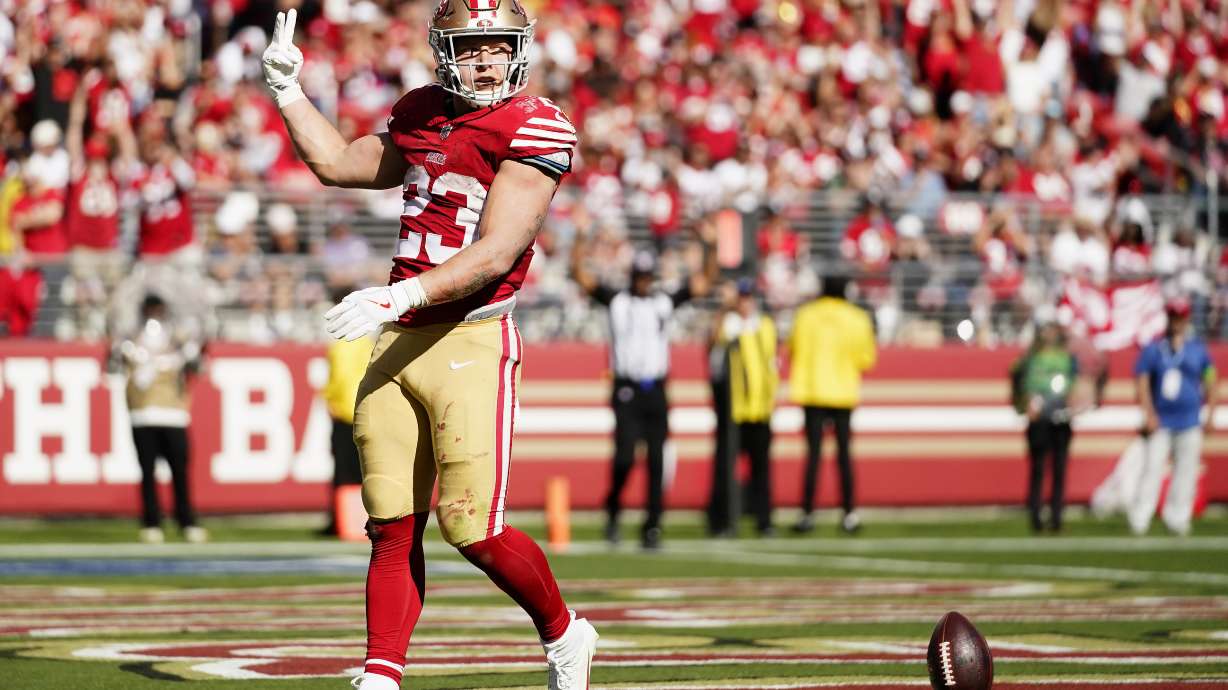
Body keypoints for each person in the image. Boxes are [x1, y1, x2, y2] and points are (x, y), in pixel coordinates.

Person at [263, 5, 598, 689]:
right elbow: (335, 162)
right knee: (390, 521)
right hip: (399, 338)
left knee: (471, 527)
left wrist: (401, 295)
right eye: (469, 47)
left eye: (496, 47)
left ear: (518, 52)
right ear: (444, 51)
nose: (484, 60)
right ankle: (381, 674)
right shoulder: (421, 111)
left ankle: (566, 633)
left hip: (469, 339)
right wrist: (288, 93)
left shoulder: (535, 124)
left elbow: (498, 248)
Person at [570, 229, 717, 550]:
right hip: (627, 388)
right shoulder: (617, 301)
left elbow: (704, 282)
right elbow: (581, 277)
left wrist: (711, 245)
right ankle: (613, 508)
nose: (643, 282)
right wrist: (581, 240)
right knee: (624, 458)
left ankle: (652, 526)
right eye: (639, 276)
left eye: (647, 276)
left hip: (656, 389)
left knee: (656, 462)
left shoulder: (664, 302)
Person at [788, 275, 877, 534]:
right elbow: (866, 359)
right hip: (842, 393)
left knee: (813, 456)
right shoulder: (857, 317)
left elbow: (793, 349)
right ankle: (849, 513)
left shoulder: (805, 315)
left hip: (813, 392)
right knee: (844, 457)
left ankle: (806, 513)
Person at [114, 294, 206, 544]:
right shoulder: (131, 340)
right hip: (143, 412)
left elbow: (197, 365)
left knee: (180, 471)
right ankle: (152, 521)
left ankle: (186, 519)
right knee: (148, 471)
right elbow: (115, 366)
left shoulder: (177, 338)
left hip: (173, 413)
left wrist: (191, 347)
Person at [1129, 297, 1218, 536]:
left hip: (1189, 420)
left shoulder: (1197, 349)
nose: (1176, 322)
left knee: (1186, 471)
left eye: (1180, 317)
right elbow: (1143, 381)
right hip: (1161, 420)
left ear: (1186, 319)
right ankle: (1141, 517)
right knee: (1152, 468)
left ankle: (1178, 517)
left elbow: (1210, 379)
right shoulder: (1154, 348)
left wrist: (1211, 412)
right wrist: (1148, 413)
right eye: (1172, 316)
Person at [714, 278, 779, 536]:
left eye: (749, 297)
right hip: (735, 411)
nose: (745, 302)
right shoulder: (729, 325)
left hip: (760, 409)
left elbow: (770, 365)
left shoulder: (764, 325)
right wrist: (724, 311)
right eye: (741, 297)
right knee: (726, 469)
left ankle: (764, 520)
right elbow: (714, 347)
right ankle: (725, 520)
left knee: (761, 470)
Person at [1009, 316, 1085, 533]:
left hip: (1061, 416)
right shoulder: (1031, 357)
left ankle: (1057, 516)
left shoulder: (1067, 357)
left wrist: (1074, 402)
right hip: (1040, 418)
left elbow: (1075, 383)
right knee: (1038, 468)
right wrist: (1025, 404)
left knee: (1060, 469)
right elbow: (1020, 382)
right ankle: (1035, 515)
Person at [319, 287, 375, 536]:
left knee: (343, 470)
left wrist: (330, 398)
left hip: (344, 411)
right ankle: (362, 520)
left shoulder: (340, 343)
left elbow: (339, 378)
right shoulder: (368, 339)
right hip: (364, 410)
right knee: (364, 469)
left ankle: (342, 522)